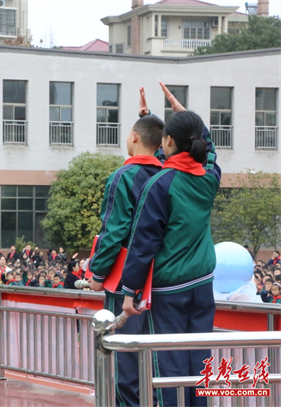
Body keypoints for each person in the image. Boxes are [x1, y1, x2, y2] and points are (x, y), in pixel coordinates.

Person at [121, 83, 221, 407]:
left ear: (167, 142)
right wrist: (187, 116)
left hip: (169, 291)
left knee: (169, 364)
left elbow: (143, 242)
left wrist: (128, 291)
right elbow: (210, 150)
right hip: (203, 285)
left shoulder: (160, 184)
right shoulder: (209, 177)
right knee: (199, 359)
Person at [89, 87, 165, 406]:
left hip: (126, 281)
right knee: (156, 356)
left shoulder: (124, 176)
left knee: (124, 356)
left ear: (133, 136)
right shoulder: (165, 175)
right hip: (161, 279)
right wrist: (150, 121)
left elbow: (114, 230)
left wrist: (96, 271)